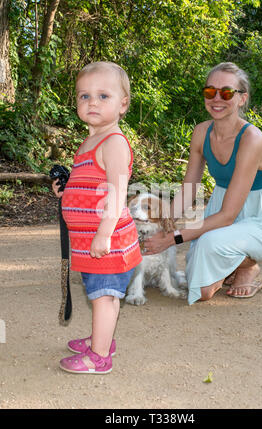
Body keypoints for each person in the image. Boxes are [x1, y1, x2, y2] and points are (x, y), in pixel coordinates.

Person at [143, 62, 262, 304]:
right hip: (222, 208)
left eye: (227, 92)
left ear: (241, 99)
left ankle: (247, 267)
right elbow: (189, 188)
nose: (217, 98)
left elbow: (228, 216)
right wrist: (164, 223)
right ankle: (227, 266)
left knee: (209, 242)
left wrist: (172, 238)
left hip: (258, 218)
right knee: (201, 288)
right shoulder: (201, 132)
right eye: (210, 91)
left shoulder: (252, 139)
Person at [52, 61, 142, 374]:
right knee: (96, 291)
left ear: (123, 104)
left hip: (109, 240)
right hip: (87, 241)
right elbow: (89, 184)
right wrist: (66, 190)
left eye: (103, 96)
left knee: (104, 295)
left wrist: (104, 233)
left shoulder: (114, 142)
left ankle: (99, 356)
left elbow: (117, 191)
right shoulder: (89, 142)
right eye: (84, 96)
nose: (92, 102)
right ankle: (100, 338)